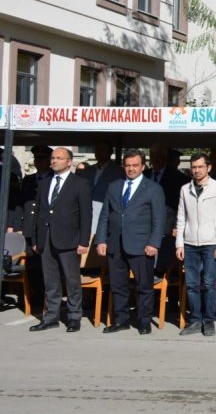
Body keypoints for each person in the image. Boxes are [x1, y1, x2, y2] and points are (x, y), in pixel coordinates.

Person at [97, 150, 166, 335]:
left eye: (135, 165)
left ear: (143, 166)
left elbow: (159, 219)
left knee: (144, 286)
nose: (131, 169)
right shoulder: (114, 186)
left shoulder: (153, 188)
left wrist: (153, 243)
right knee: (118, 285)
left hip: (142, 245)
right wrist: (101, 240)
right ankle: (122, 320)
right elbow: (105, 215)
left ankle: (144, 321)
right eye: (128, 165)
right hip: (115, 243)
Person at [29, 147, 91, 333]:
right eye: (53, 158)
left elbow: (86, 215)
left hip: (69, 239)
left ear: (69, 162)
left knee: (72, 280)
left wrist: (83, 241)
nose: (54, 161)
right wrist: (35, 238)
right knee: (50, 280)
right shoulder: (45, 182)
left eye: (59, 158)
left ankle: (74, 316)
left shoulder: (80, 183)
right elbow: (39, 212)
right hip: (46, 239)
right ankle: (51, 316)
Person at [176, 153, 216, 337]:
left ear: (209, 167)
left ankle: (209, 321)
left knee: (208, 283)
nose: (197, 170)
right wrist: (179, 244)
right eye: (194, 167)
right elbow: (181, 217)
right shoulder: (185, 189)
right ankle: (194, 319)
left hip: (210, 243)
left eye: (200, 167)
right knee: (191, 284)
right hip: (190, 243)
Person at [145, 143, 186, 278]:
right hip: (144, 228)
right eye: (153, 156)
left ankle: (170, 297)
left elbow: (181, 204)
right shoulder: (143, 176)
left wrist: (176, 225)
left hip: (167, 229)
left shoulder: (178, 178)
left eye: (159, 156)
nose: (156, 159)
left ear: (165, 158)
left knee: (166, 268)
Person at [79, 140, 124, 235]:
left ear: (110, 152)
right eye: (97, 149)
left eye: (103, 149)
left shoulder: (119, 171)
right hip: (87, 212)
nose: (99, 152)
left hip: (107, 213)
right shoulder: (87, 171)